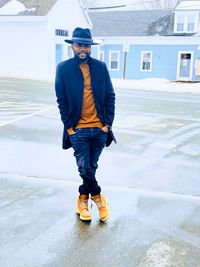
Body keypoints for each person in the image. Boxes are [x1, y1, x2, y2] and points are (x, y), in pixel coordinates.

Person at [55, 27, 116, 222]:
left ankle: (82, 200)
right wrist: (70, 128)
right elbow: (61, 100)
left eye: (87, 45)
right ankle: (98, 197)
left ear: (91, 47)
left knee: (91, 166)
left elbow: (110, 96)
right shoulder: (63, 68)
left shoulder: (100, 67)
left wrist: (107, 124)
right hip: (78, 130)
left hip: (99, 129)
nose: (83, 48)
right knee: (84, 168)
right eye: (79, 44)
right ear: (72, 46)